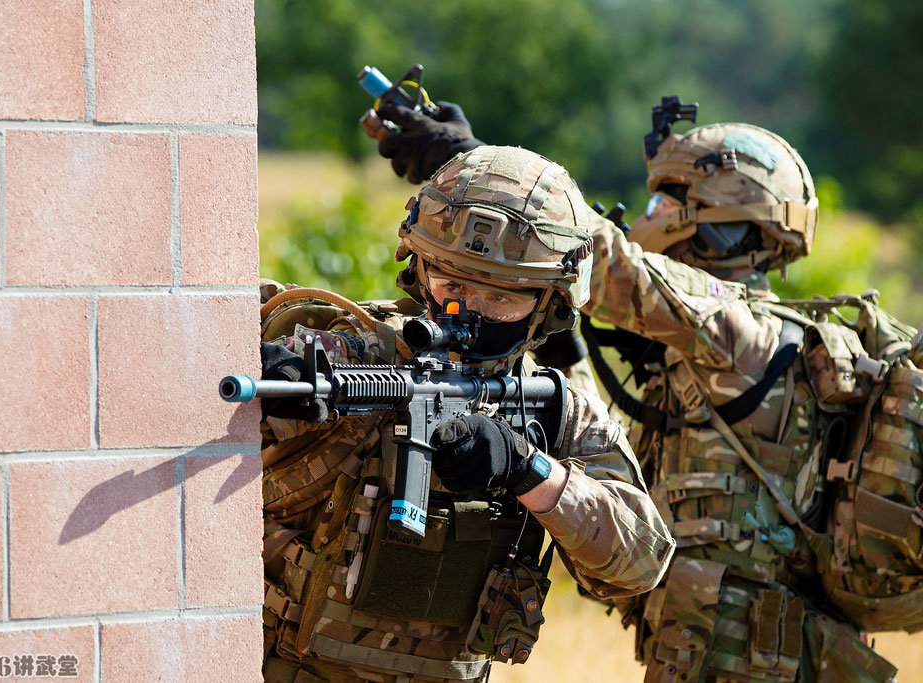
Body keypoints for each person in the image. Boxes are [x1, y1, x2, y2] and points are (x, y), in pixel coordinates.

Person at [371, 104, 901, 680]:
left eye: (664, 204)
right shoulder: (728, 346)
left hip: (758, 652)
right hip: (719, 642)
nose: (650, 218)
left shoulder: (741, 332)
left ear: (719, 218)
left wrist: (466, 171)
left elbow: (603, 264)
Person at [258, 145, 675, 682]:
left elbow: (642, 562)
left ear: (550, 304)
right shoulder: (357, 349)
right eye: (451, 285)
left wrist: (526, 469)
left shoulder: (554, 409)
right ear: (418, 269)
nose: (467, 311)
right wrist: (273, 372)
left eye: (500, 298)